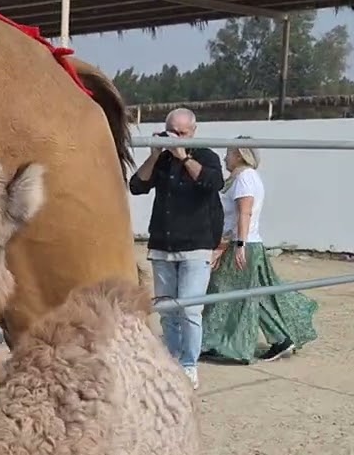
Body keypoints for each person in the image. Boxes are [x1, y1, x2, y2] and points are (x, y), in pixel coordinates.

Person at [128, 107, 224, 389]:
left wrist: (184, 157)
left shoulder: (206, 156)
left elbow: (212, 182)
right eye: (172, 132)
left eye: (182, 133)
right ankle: (170, 360)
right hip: (163, 246)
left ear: (193, 132)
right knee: (168, 310)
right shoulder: (161, 160)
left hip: (196, 247)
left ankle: (189, 364)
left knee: (191, 310)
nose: (176, 138)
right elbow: (136, 186)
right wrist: (155, 154)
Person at [201, 139, 318, 364]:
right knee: (254, 293)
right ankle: (278, 338)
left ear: (239, 155)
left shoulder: (245, 178)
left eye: (228, 154)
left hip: (241, 244)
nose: (225, 158)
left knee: (226, 293)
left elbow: (243, 214)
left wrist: (238, 246)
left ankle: (219, 342)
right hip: (244, 243)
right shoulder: (244, 178)